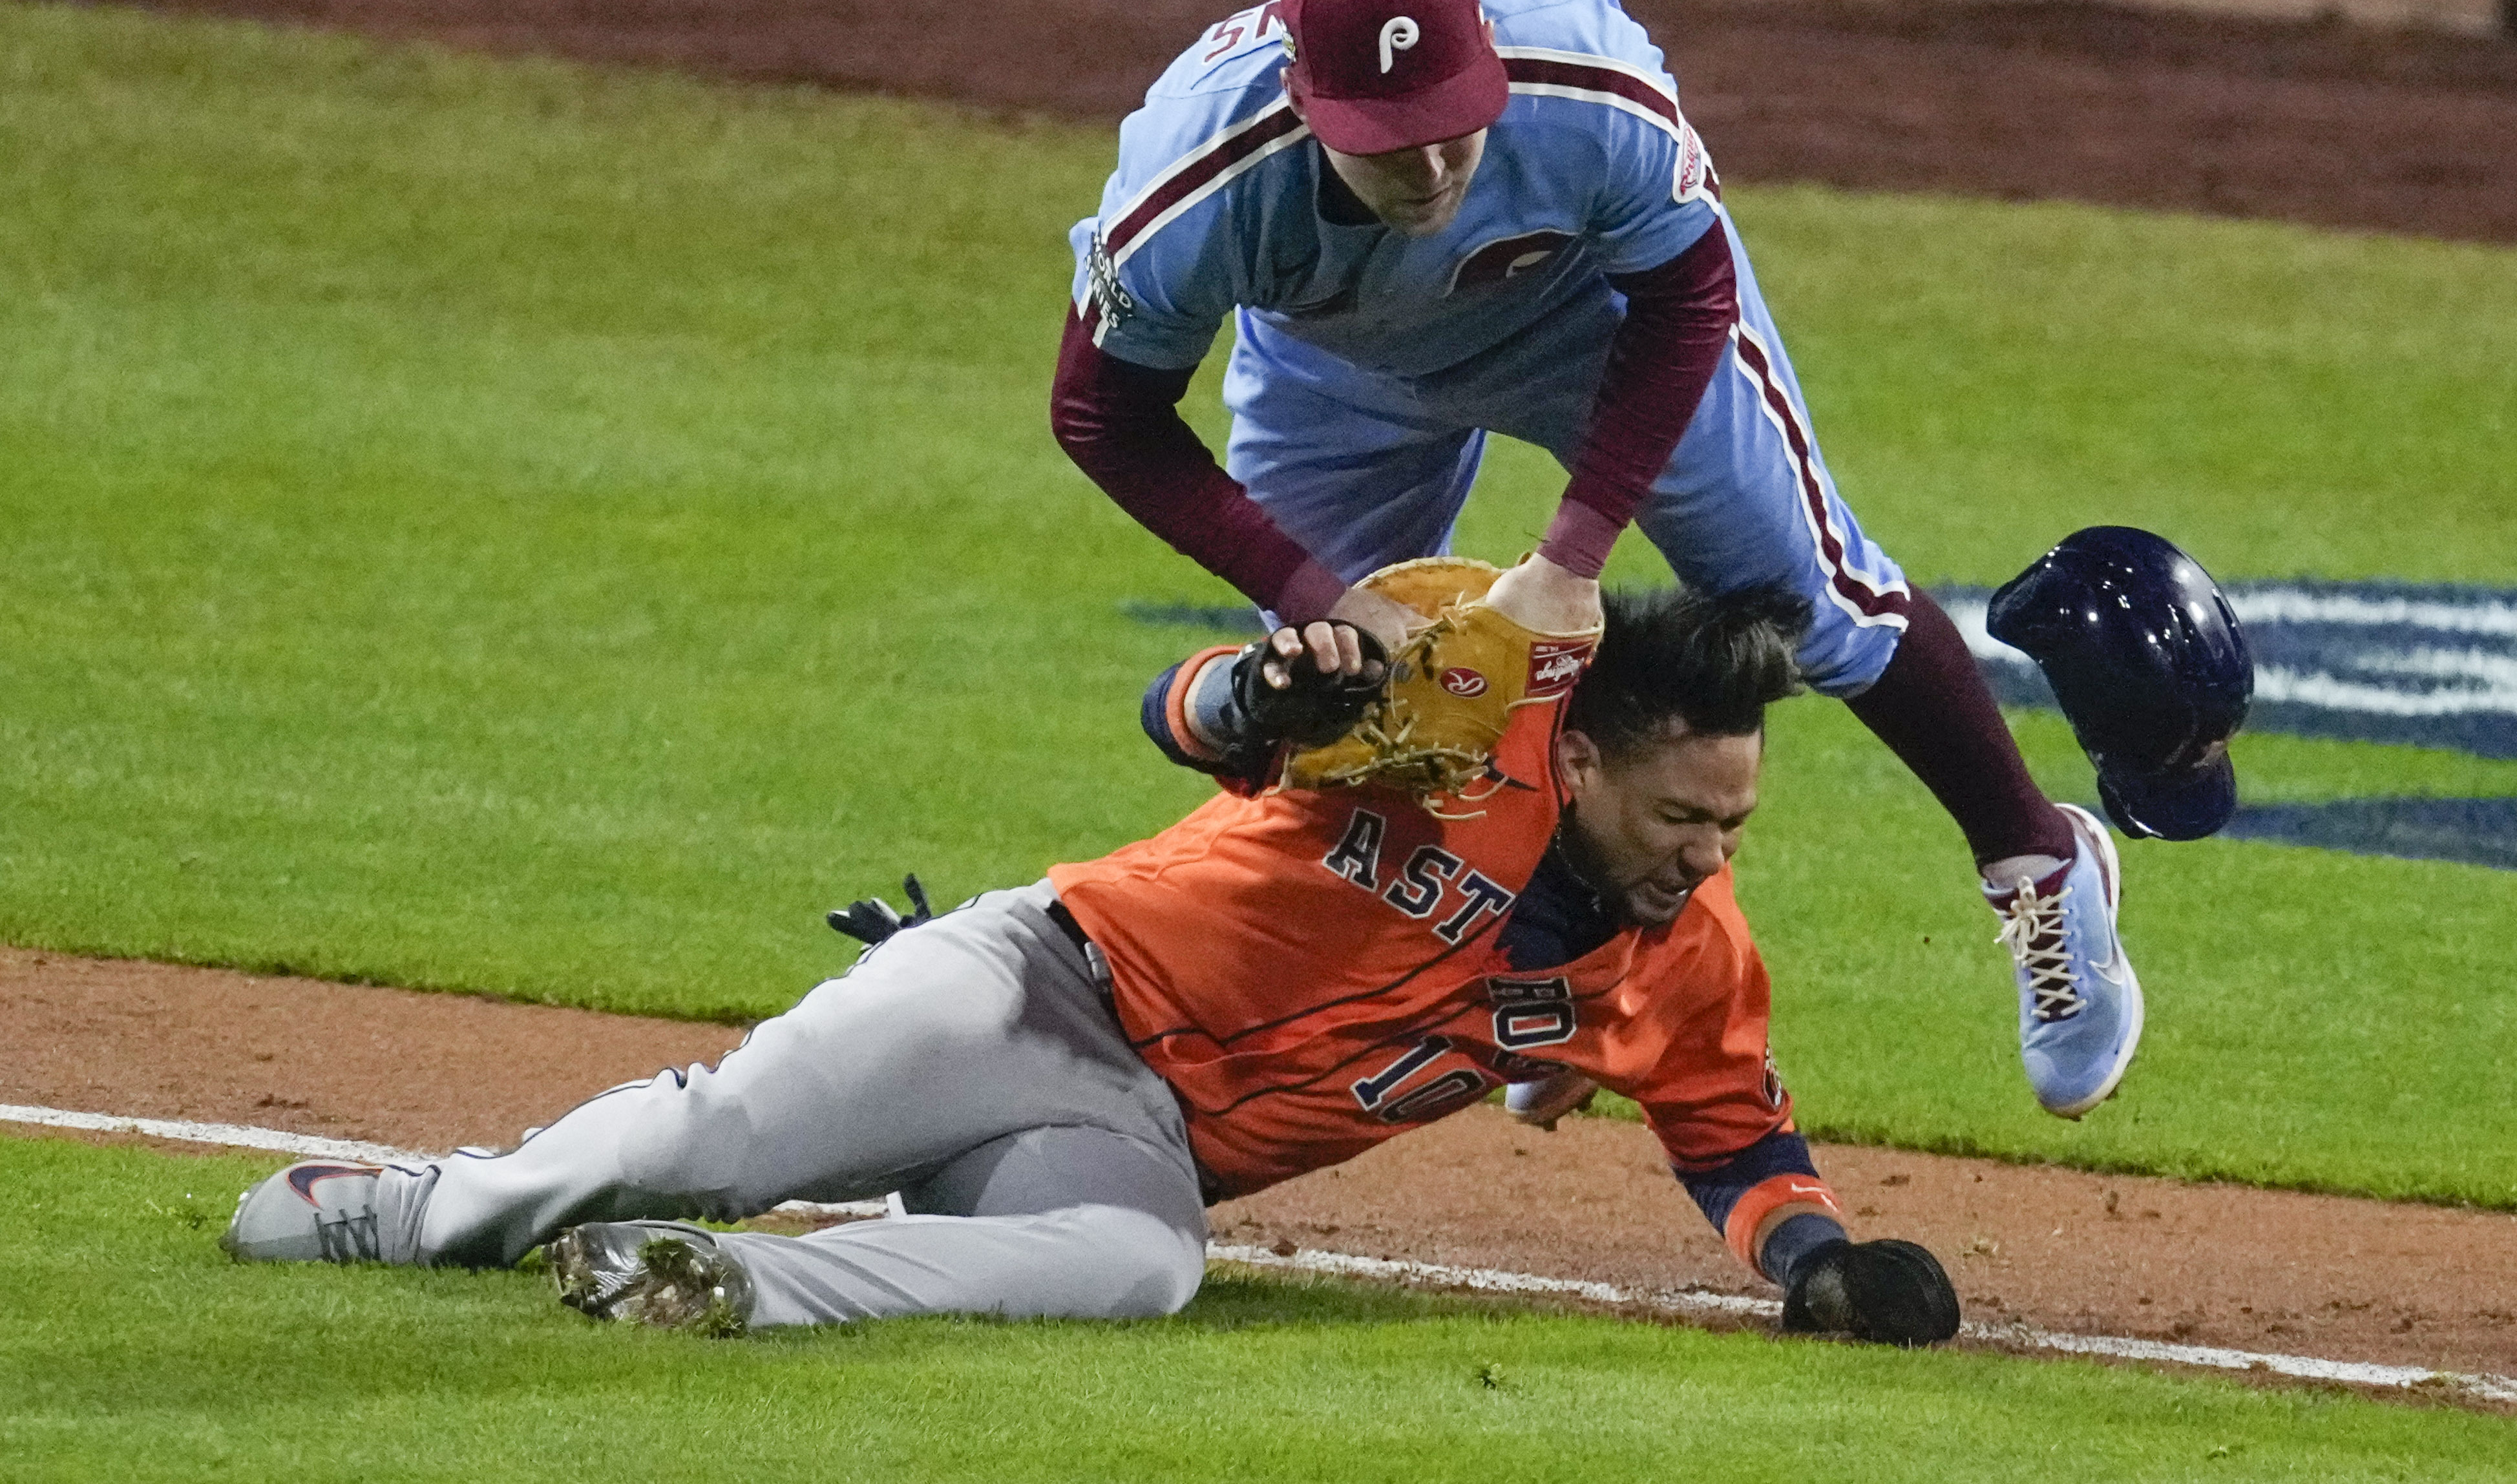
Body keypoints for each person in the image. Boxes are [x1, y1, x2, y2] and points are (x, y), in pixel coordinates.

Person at [221, 582, 1960, 1347]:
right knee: (720, 1130)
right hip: (1036, 982)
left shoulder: (1687, 953)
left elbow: (1731, 1130)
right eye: (1684, 812)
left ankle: (738, 1284)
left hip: (1139, 1136)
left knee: (1142, 1267)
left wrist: (1816, 1259)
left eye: (1735, 820)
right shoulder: (1459, 728)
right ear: (1583, 759)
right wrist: (1274, 694)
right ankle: (414, 1202)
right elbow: (1186, 713)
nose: (1711, 853)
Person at [1049, 0, 2137, 1119]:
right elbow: (1104, 417)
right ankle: (1566, 968)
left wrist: (1574, 553)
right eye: (1387, 145)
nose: (1429, 171)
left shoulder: (1589, 80)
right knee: (1359, 706)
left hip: (1592, 324)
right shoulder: (1194, 183)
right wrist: (1321, 597)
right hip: (1334, 368)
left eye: (1454, 121)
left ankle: (2041, 858)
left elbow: (1686, 294)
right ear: (1307, 106)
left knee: (1808, 598)